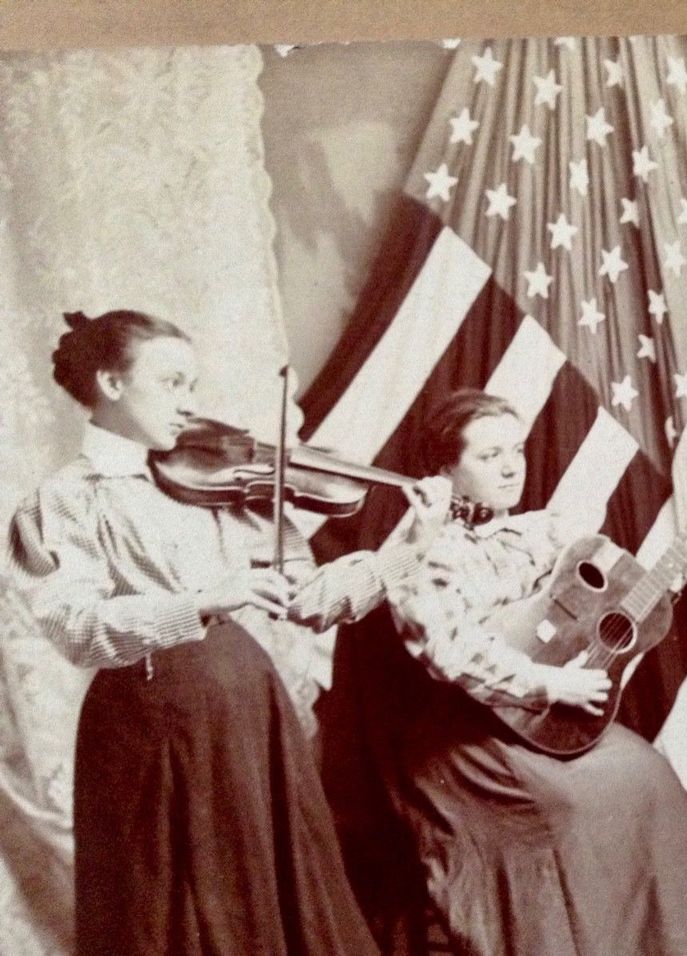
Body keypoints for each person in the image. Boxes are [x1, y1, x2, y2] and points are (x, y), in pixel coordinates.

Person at [5, 310, 442, 956]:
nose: (189, 404)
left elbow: (309, 599)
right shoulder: (64, 499)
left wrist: (407, 549)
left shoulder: (209, 478)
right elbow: (77, 626)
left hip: (249, 715)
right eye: (171, 383)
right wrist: (201, 601)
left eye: (193, 385)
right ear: (111, 383)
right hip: (151, 728)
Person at [339, 388, 687, 956]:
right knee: (564, 806)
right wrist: (551, 683)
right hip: (467, 735)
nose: (511, 467)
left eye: (517, 450)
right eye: (490, 455)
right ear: (446, 470)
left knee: (645, 772)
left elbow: (624, 604)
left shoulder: (545, 532)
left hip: (544, 720)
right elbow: (450, 650)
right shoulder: (423, 551)